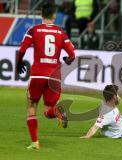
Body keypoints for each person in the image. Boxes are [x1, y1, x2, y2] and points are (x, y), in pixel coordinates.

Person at [16, 2, 76, 150]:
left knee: (32, 107)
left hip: (38, 75)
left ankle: (35, 142)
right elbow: (72, 55)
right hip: (54, 76)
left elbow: (22, 49)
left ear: (41, 14)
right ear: (54, 16)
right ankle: (58, 111)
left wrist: (19, 62)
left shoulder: (34, 30)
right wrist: (67, 60)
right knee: (48, 111)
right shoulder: (61, 33)